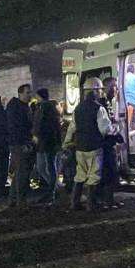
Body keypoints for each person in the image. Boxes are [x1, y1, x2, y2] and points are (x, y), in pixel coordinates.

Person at [65, 78, 112, 211]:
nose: (101, 92)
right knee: (94, 175)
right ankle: (91, 204)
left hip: (80, 148)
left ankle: (74, 203)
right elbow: (105, 129)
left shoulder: (78, 108)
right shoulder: (99, 108)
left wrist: (66, 143)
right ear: (95, 91)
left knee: (80, 174)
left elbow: (72, 128)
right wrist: (115, 129)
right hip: (94, 147)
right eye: (100, 90)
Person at [32, 88, 62, 205]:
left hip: (45, 142)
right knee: (49, 167)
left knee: (46, 167)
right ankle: (54, 188)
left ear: (40, 96)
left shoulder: (43, 108)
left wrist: (35, 135)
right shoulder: (51, 108)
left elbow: (39, 125)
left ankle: (53, 190)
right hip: (49, 143)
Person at [7, 84, 35, 207]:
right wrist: (24, 142)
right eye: (27, 92)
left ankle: (13, 199)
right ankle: (20, 201)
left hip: (21, 143)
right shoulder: (17, 108)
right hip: (20, 144)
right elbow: (16, 128)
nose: (30, 95)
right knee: (22, 172)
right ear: (20, 94)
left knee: (20, 172)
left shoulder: (22, 107)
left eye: (30, 92)